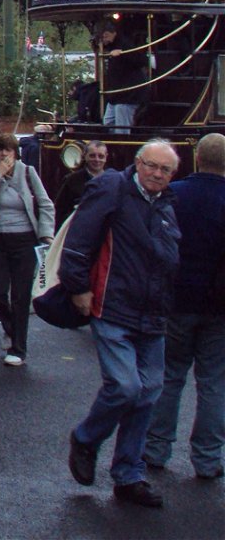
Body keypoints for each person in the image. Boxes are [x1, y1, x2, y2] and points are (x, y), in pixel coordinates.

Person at [62, 139, 182, 508]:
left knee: (148, 393)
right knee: (127, 386)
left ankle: (129, 475)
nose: (157, 174)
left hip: (153, 312)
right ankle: (85, 438)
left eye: (165, 170)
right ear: (137, 162)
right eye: (152, 166)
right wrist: (78, 287)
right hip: (112, 305)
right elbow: (79, 238)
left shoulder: (165, 203)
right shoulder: (111, 186)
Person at [143, 132, 225, 481]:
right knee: (213, 383)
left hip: (176, 299)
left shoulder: (175, 195)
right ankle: (207, 459)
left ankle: (156, 449)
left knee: (169, 375)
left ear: (196, 157)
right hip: (219, 304)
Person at [0, 134, 54, 366]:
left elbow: (45, 202)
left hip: (25, 241)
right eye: (0, 150)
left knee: (20, 296)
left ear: (16, 153)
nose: (4, 154)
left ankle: (19, 349)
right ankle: (10, 328)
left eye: (8, 150)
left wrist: (46, 233)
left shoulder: (27, 173)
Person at [97, 25, 147, 133]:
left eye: (106, 36)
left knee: (122, 127)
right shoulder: (111, 46)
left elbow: (141, 60)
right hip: (116, 94)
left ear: (113, 33)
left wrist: (123, 53)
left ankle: (122, 147)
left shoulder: (125, 44)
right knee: (108, 122)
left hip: (128, 94)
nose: (105, 40)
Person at [54, 140, 109, 224]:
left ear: (106, 157)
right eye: (92, 156)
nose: (97, 159)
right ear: (84, 156)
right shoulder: (71, 180)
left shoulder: (113, 180)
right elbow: (59, 211)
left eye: (101, 156)